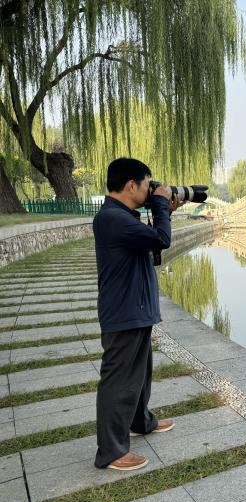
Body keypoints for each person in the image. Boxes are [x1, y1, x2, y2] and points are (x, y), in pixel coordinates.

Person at [92, 157, 182, 470]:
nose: (150, 189)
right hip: (124, 311)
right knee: (119, 381)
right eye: (147, 185)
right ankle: (112, 452)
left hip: (137, 309)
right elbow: (162, 239)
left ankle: (141, 421)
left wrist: (163, 210)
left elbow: (152, 251)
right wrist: (160, 207)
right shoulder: (112, 218)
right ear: (131, 185)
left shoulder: (123, 216)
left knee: (140, 374)